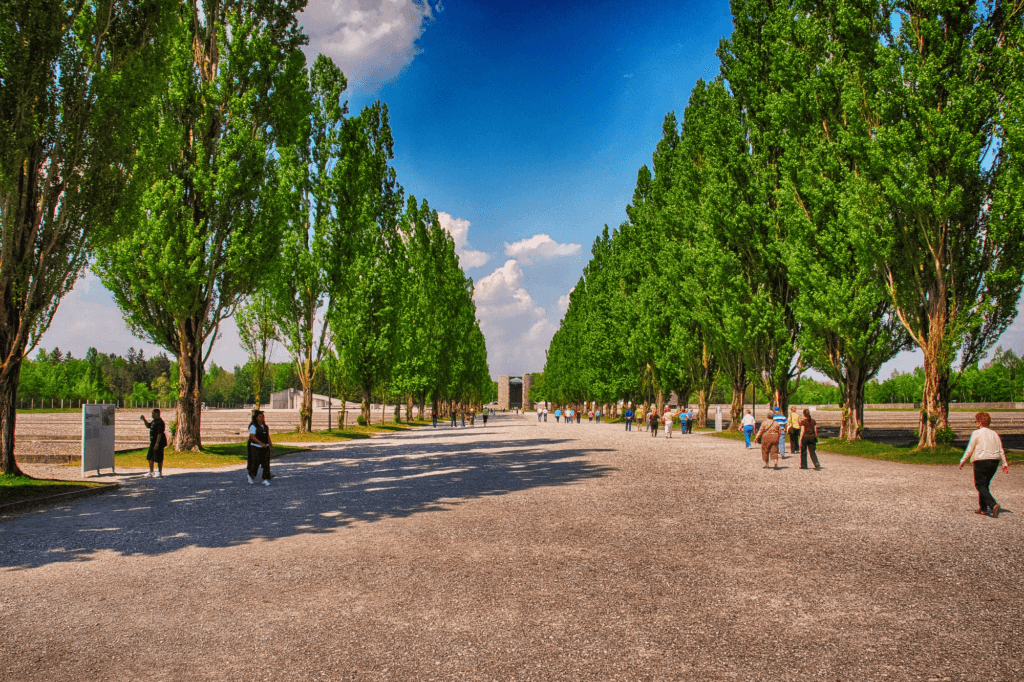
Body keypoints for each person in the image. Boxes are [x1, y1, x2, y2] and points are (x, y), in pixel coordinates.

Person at [960, 412, 1009, 517]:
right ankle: (982, 508)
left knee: (980, 484)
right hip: (994, 462)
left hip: (981, 461)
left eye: (976, 421)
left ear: (980, 422)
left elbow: (970, 448)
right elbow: (1001, 450)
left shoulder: (976, 433)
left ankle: (993, 504)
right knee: (985, 484)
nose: (976, 423)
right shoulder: (995, 434)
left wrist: (963, 460)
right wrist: (1004, 463)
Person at [247, 410, 273, 486]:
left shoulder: (265, 426)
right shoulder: (253, 426)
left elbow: (267, 436)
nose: (262, 418)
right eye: (260, 417)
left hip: (265, 447)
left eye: (263, 416)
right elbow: (253, 437)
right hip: (256, 447)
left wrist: (270, 444)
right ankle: (251, 476)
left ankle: (265, 479)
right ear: (256, 418)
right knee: (255, 463)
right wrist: (261, 443)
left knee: (266, 463)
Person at [140, 409, 167, 478]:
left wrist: (157, 443)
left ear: (156, 414)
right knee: (150, 457)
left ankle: (159, 472)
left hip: (159, 442)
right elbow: (148, 426)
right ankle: (151, 472)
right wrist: (144, 419)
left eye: (153, 413)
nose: (151, 415)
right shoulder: (154, 421)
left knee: (159, 457)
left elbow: (160, 434)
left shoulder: (160, 422)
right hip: (152, 442)